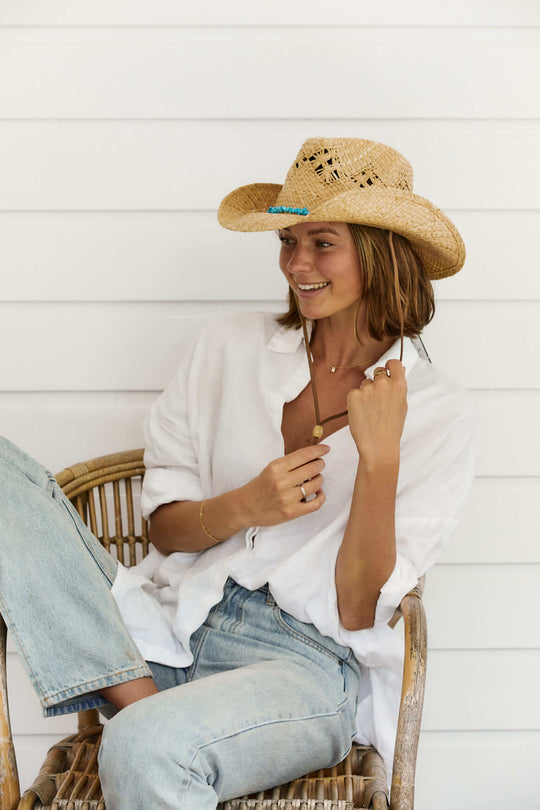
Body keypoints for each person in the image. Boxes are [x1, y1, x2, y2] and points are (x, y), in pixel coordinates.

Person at [0, 137, 474, 809]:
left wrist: (380, 457)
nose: (297, 264)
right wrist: (247, 504)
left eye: (322, 243)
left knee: (143, 749)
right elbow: (165, 532)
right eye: (288, 241)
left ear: (378, 251)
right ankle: (136, 695)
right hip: (174, 625)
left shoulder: (436, 411)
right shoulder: (225, 348)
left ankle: (140, 719)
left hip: (301, 670)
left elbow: (356, 606)